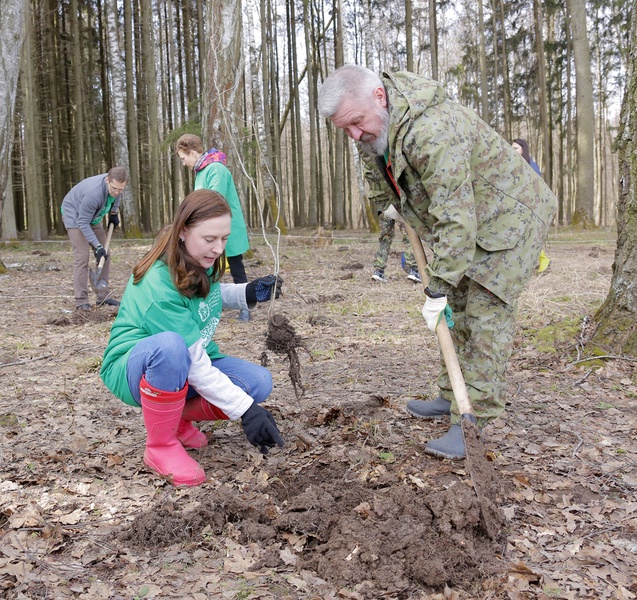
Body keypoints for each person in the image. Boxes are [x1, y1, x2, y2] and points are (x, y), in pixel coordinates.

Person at [318, 65, 557, 459]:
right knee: (458, 309)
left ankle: (472, 421)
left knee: (482, 312)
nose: (355, 135)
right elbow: (377, 173)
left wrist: (438, 286)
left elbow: (456, 218)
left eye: (357, 123)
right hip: (473, 220)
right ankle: (452, 396)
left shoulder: (433, 130)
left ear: (380, 97)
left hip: (510, 220)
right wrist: (390, 206)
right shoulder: (376, 126)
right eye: (345, 128)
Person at [100, 189, 284, 487]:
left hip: (187, 360)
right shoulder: (159, 285)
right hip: (135, 367)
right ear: (184, 230)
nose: (218, 248)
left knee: (258, 382)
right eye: (209, 239)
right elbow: (195, 364)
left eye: (224, 239)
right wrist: (245, 411)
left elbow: (204, 297)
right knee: (171, 347)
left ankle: (174, 419)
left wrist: (246, 293)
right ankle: (160, 446)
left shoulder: (196, 259)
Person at [175, 134, 252, 322]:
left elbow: (212, 202)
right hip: (207, 230)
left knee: (235, 266)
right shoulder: (201, 171)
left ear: (192, 153)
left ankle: (246, 306)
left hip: (225, 228)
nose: (184, 163)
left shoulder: (216, 169)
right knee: (205, 265)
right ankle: (205, 304)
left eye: (184, 158)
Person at [61, 167, 128, 310]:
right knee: (82, 256)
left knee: (106, 253)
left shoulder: (117, 186)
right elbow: (82, 223)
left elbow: (116, 196)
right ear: (107, 181)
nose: (117, 192)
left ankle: (102, 297)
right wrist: (97, 246)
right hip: (75, 215)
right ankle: (81, 301)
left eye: (121, 189)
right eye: (114, 188)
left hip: (93, 216)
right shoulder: (94, 194)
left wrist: (114, 212)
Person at [512, 138, 551, 273]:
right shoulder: (514, 165)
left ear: (523, 149)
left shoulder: (531, 165)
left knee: (529, 233)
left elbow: (537, 186)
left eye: (516, 148)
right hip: (517, 204)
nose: (513, 151)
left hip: (530, 205)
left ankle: (543, 259)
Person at [372, 213, 421, 283]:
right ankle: (414, 271)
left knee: (385, 238)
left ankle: (378, 271)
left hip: (384, 208)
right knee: (410, 237)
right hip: (398, 208)